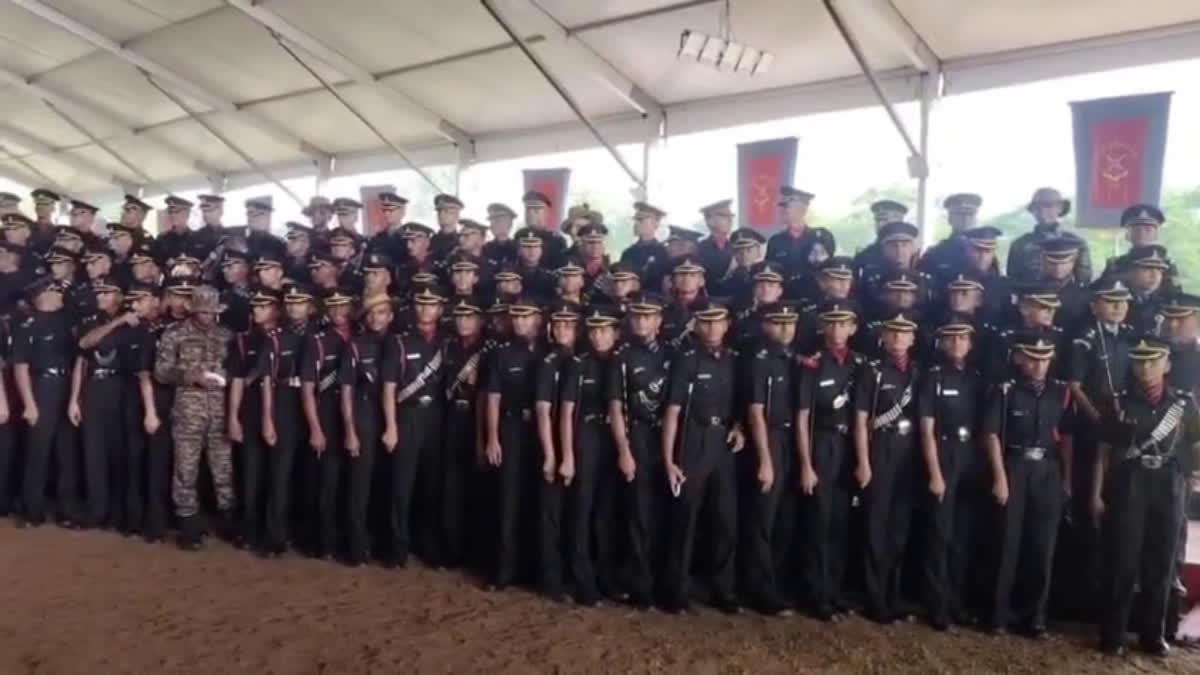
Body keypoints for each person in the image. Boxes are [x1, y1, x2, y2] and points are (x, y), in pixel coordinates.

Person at [1092, 336, 1199, 657]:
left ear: (1167, 365)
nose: (1146, 367)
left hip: (1169, 484)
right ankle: (1113, 634)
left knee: (1161, 562)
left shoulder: (1184, 403)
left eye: (1153, 361)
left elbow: (1195, 446)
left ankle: (1153, 634)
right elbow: (1103, 452)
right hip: (1130, 483)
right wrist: (1097, 492)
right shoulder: (1119, 402)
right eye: (1140, 361)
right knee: (1122, 560)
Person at [983, 330, 1074, 637]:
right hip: (1015, 467)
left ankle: (1034, 617)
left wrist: (1067, 478)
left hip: (1047, 469)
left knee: (1041, 547)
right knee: (1007, 544)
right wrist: (999, 477)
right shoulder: (1006, 390)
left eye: (1044, 360)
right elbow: (992, 434)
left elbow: (1066, 439)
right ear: (1021, 359)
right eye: (1033, 359)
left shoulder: (1060, 392)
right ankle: (998, 615)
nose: (1038, 365)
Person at [660, 301, 746, 614]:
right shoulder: (686, 360)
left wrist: (738, 427)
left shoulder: (734, 360)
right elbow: (672, 412)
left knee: (725, 520)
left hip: (723, 443)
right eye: (705, 322)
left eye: (717, 322)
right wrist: (669, 459)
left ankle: (723, 589)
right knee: (686, 518)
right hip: (693, 440)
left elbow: (740, 403)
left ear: (727, 325)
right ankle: (676, 592)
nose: (711, 329)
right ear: (696, 326)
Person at [153, 285, 235, 550]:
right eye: (202, 311)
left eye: (212, 312)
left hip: (221, 412)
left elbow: (237, 372)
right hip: (188, 412)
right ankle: (188, 527)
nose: (207, 316)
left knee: (223, 469)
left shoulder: (227, 336)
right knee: (185, 470)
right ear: (193, 309)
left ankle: (228, 521)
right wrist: (189, 377)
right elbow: (161, 372)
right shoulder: (174, 334)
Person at [796, 300, 862, 621]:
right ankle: (815, 594)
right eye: (831, 324)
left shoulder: (859, 365)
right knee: (818, 522)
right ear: (822, 327)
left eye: (843, 324)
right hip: (821, 443)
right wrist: (806, 464)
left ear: (853, 328)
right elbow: (802, 418)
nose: (837, 331)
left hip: (848, 444)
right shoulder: (813, 364)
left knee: (840, 523)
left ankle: (834, 592)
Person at [853, 310, 921, 623]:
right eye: (892, 333)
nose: (897, 339)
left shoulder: (918, 373)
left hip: (908, 451)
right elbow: (861, 420)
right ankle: (873, 596)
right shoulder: (872, 371)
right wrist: (864, 461)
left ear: (913, 338)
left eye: (903, 334)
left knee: (900, 529)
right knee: (875, 527)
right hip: (880, 447)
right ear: (883, 337)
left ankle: (893, 594)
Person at [920, 314, 985, 630]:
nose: (957, 343)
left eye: (963, 338)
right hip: (943, 454)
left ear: (971, 344)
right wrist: (935, 473)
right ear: (943, 343)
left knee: (963, 537)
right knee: (940, 535)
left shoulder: (976, 377)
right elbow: (927, 428)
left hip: (970, 456)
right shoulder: (934, 376)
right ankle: (937, 605)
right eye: (951, 338)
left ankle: (957, 602)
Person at [607, 292, 670, 609]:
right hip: (639, 438)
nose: (642, 322)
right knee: (638, 514)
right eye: (637, 316)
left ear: (659, 320)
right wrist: (624, 450)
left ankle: (664, 582)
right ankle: (640, 585)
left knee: (665, 513)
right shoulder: (622, 357)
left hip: (670, 441)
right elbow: (617, 408)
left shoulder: (673, 355)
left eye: (649, 316)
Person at [739, 301, 799, 616]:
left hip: (792, 439)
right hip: (770, 439)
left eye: (790, 323)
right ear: (765, 326)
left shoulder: (793, 359)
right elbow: (755, 413)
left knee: (784, 519)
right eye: (778, 323)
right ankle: (760, 591)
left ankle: (776, 584)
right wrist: (765, 459)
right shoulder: (759, 360)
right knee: (762, 519)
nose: (786, 329)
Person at [382, 285, 447, 567]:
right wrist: (391, 426)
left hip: (436, 419)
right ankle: (398, 549)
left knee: (431, 486)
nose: (425, 309)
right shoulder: (399, 342)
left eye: (431, 304)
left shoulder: (447, 343)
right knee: (401, 486)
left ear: (440, 309)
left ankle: (428, 546)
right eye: (420, 304)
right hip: (406, 416)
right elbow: (388, 388)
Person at [484, 296, 545, 590]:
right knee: (507, 501)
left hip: (542, 433)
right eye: (516, 317)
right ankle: (504, 572)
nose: (520, 322)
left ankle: (533, 571)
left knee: (538, 501)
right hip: (510, 428)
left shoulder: (549, 352)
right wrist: (492, 437)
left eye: (526, 316)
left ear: (538, 319)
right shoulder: (502, 354)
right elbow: (492, 398)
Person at [72, 277, 139, 530]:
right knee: (93, 453)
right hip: (95, 390)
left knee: (119, 454)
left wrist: (123, 321)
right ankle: (96, 511)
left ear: (120, 296)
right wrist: (74, 400)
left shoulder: (133, 324)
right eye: (98, 292)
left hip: (122, 391)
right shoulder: (92, 322)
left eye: (106, 292)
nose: (100, 296)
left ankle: (119, 513)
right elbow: (84, 347)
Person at [13, 276, 78, 528]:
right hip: (42, 387)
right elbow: (20, 367)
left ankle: (66, 510)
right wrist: (29, 404)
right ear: (42, 296)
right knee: (38, 452)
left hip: (66, 386)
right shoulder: (28, 325)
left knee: (66, 451)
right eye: (55, 290)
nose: (60, 293)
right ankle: (32, 511)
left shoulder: (66, 321)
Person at [259, 283, 315, 556]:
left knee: (309, 473)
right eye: (290, 302)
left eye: (300, 302)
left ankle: (305, 534)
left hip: (317, 405)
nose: (294, 307)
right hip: (284, 402)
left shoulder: (321, 336)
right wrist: (268, 419)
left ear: (311, 306)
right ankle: (275, 537)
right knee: (279, 474)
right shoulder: (275, 337)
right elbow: (267, 380)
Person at [340, 292, 393, 566]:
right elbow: (347, 391)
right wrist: (350, 431)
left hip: (395, 419)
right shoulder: (356, 346)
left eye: (382, 312)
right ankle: (357, 548)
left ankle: (383, 545)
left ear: (391, 316)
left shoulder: (399, 344)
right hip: (364, 417)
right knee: (360, 486)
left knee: (387, 485)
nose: (376, 318)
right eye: (371, 313)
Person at [300, 287, 353, 560]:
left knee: (352, 484)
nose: (337, 312)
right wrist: (316, 428)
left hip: (358, 416)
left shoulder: (361, 338)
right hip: (327, 415)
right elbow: (307, 389)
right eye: (332, 307)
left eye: (342, 306)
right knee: (326, 484)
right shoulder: (317, 341)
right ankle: (324, 542)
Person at [532, 300, 579, 602]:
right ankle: (551, 580)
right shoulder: (547, 363)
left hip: (579, 445)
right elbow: (543, 411)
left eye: (568, 325)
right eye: (557, 324)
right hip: (554, 448)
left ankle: (571, 575)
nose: (562, 330)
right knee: (551, 516)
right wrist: (552, 455)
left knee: (574, 516)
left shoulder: (579, 361)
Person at [228, 287, 279, 551]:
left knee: (277, 475)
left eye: (264, 306)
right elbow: (237, 379)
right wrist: (233, 417)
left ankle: (273, 530)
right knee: (250, 471)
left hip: (282, 409)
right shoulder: (242, 340)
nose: (258, 311)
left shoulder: (287, 338)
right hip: (251, 408)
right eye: (255, 307)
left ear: (275, 309)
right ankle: (249, 529)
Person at [1007, 187, 1092, 284]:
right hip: (1031, 297)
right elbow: (1012, 280)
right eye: (1038, 207)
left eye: (1048, 206)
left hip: (1066, 297)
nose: (1043, 211)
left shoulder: (1077, 243)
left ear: (1059, 208)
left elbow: (1084, 280)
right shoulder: (1019, 244)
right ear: (1033, 211)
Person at [766, 187, 827, 278]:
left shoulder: (820, 238)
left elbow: (826, 270)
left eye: (787, 206)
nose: (783, 210)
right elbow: (770, 271)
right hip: (785, 291)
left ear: (802, 210)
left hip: (810, 291)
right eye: (782, 207)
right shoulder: (775, 241)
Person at [620, 202, 668, 281]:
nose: (636, 224)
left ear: (655, 223)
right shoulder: (628, 252)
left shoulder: (662, 252)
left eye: (641, 220)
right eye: (636, 220)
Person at [483, 202, 518, 267]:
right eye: (491, 221)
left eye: (497, 221)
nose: (492, 225)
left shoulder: (518, 249)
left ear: (510, 224)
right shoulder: (485, 249)